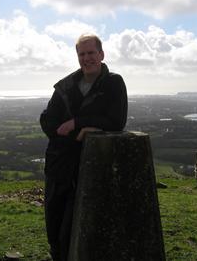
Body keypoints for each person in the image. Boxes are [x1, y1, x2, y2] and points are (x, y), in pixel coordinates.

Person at [40, 34, 128, 261]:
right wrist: (80, 133)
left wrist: (76, 123)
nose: (87, 58)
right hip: (59, 163)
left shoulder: (113, 83)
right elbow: (48, 122)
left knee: (78, 221)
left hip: (90, 165)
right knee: (55, 217)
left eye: (91, 53)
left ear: (101, 54)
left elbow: (116, 121)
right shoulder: (66, 85)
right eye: (82, 54)